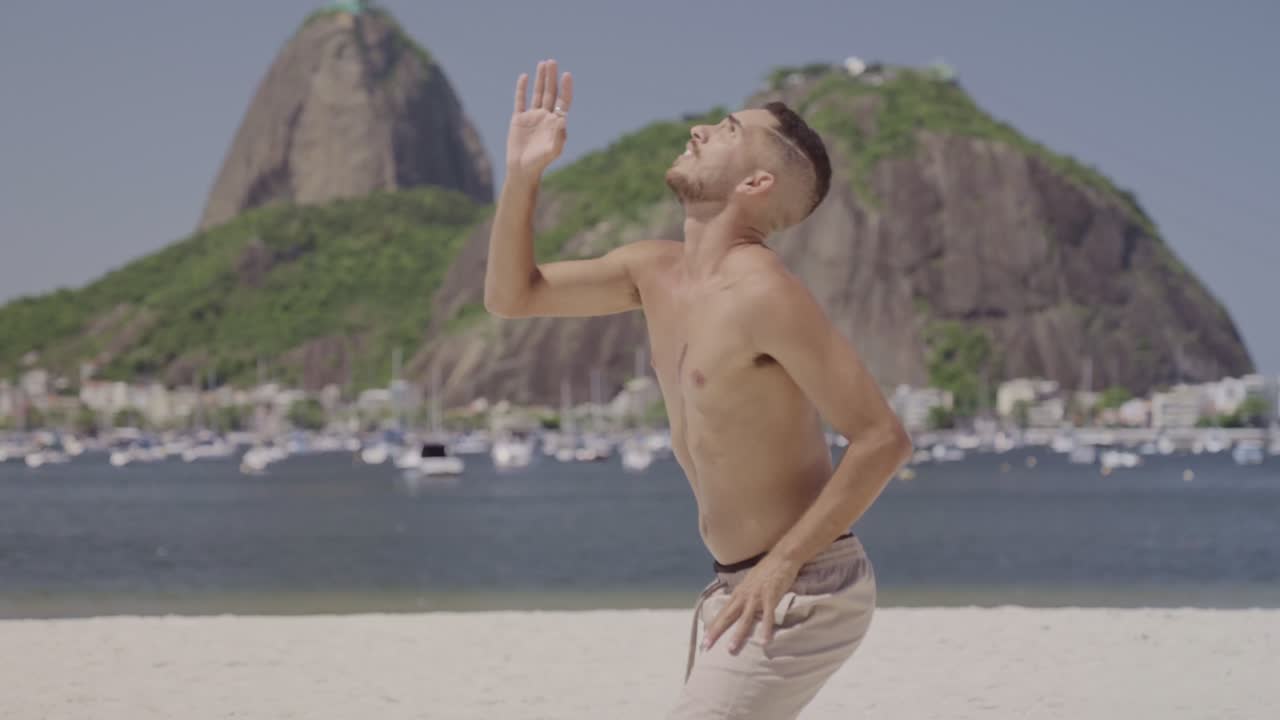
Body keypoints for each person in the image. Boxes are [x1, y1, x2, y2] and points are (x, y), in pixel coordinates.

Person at [484, 59, 913, 719]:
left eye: (728, 127)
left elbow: (882, 438)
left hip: (803, 585)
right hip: (734, 583)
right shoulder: (651, 270)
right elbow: (515, 296)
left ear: (756, 182)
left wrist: (782, 563)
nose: (699, 128)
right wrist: (522, 175)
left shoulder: (763, 293)